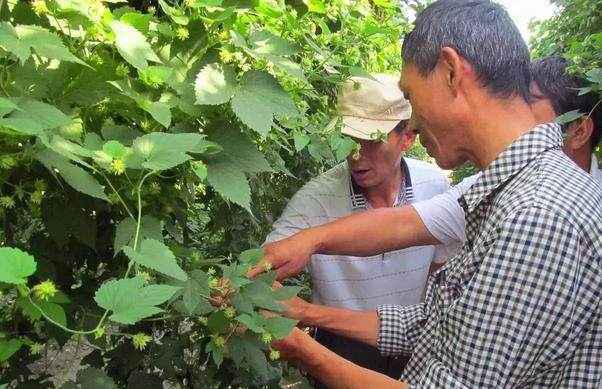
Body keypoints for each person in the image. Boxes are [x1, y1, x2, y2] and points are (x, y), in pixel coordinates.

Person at [252, 1, 602, 387]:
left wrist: (298, 347)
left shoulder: (536, 216)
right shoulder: (517, 191)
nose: (413, 123)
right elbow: (436, 326)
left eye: (412, 96)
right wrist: (306, 309)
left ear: (451, 71)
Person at [264, 73, 451, 382]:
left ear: (407, 137)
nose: (356, 156)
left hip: (415, 343)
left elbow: (441, 275)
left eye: (371, 141)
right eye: (349, 139)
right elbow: (265, 264)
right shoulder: (317, 198)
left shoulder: (437, 187)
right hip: (339, 349)